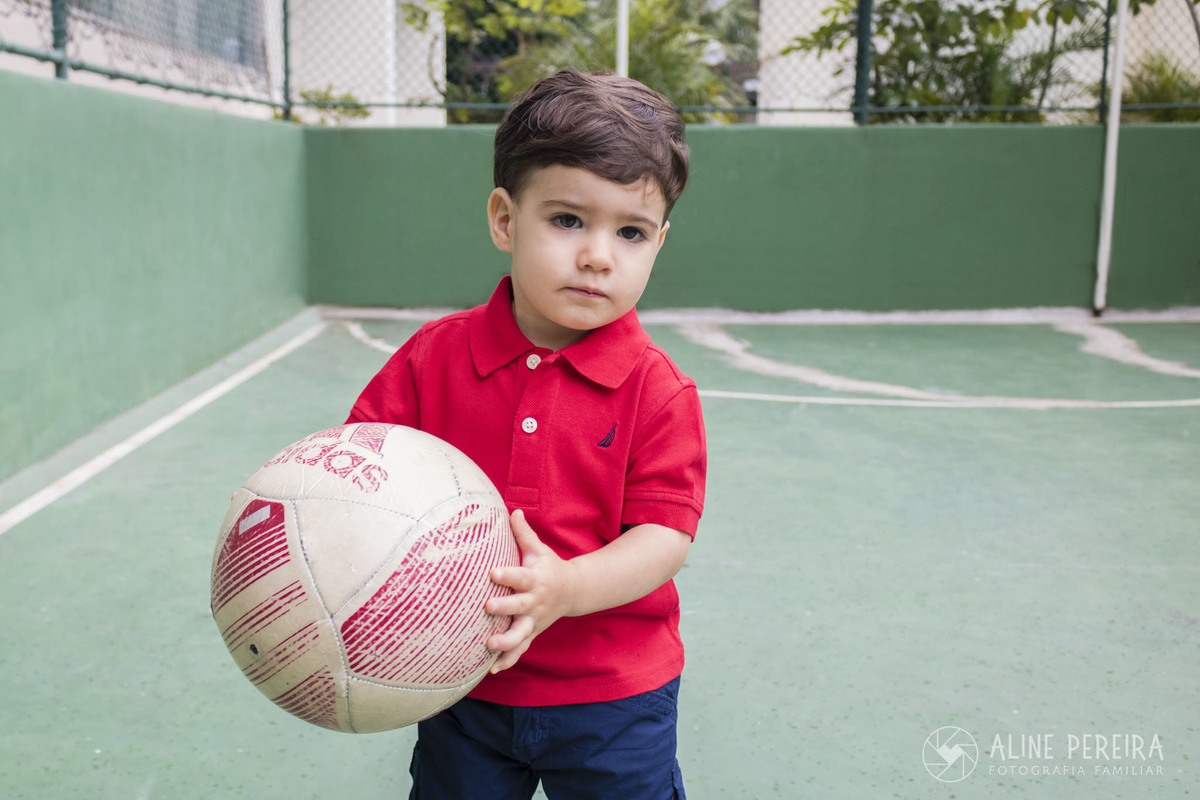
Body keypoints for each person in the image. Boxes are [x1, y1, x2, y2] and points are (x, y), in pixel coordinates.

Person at [346, 67, 706, 800]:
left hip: (613, 694)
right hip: (462, 683)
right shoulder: (433, 358)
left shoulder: (658, 390)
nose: (598, 255)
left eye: (630, 232)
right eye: (568, 220)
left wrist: (567, 586)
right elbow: (360, 467)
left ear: (659, 243)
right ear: (506, 219)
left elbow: (664, 539)